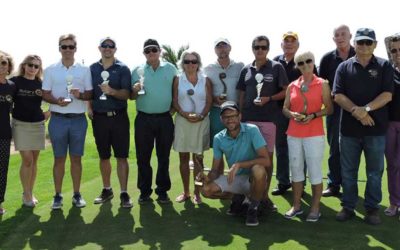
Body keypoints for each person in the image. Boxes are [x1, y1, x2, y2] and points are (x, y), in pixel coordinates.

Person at [333, 28, 394, 225]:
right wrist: (356, 111)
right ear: (355, 44)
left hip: (375, 131)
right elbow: (338, 95)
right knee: (348, 171)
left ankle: (372, 209)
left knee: (374, 173)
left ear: (375, 45)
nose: (364, 46)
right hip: (349, 130)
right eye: (361, 42)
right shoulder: (343, 67)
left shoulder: (385, 66)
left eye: (369, 42)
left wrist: (365, 109)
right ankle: (348, 206)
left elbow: (387, 95)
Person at [199, 101, 271, 226]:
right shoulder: (218, 138)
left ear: (239, 116)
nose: (230, 119)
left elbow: (266, 160)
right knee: (206, 190)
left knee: (258, 169)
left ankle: (253, 208)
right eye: (226, 117)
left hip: (253, 180)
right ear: (221, 119)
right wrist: (206, 177)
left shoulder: (252, 130)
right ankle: (240, 198)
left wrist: (239, 164)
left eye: (233, 116)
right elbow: (216, 170)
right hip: (235, 178)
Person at [42, 34, 93, 210]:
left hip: (78, 119)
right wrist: (56, 102)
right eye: (64, 47)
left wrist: (81, 96)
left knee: (76, 159)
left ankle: (77, 194)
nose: (68, 50)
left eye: (71, 47)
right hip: (58, 120)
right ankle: (58, 195)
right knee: (59, 159)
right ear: (59, 48)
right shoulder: (50, 70)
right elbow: (45, 93)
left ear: (75, 48)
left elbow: (90, 94)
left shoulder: (84, 70)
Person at [237, 35, 288, 206]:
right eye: (257, 47)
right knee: (248, 157)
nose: (260, 50)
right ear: (252, 48)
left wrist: (270, 98)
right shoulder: (246, 69)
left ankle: (264, 196)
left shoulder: (276, 67)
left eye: (263, 47)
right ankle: (248, 193)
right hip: (248, 121)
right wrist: (239, 114)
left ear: (268, 49)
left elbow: (286, 91)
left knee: (267, 159)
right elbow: (242, 95)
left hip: (269, 120)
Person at [282, 51, 333, 222]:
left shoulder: (323, 84)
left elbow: (329, 109)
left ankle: (315, 208)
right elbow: (285, 108)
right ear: (297, 66)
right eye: (301, 63)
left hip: (314, 134)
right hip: (294, 134)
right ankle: (296, 206)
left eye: (308, 61)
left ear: (313, 62)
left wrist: (314, 115)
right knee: (295, 170)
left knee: (315, 171)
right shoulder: (292, 86)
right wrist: (293, 114)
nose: (305, 65)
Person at [131, 39, 178, 204]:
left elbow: (176, 91)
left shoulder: (171, 69)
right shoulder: (137, 70)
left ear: (160, 51)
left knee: (163, 157)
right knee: (143, 157)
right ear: (144, 53)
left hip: (165, 118)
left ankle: (162, 191)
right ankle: (144, 191)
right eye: (147, 51)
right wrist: (135, 90)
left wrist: (172, 109)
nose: (151, 53)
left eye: (154, 50)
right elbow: (131, 96)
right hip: (143, 118)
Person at [89, 37, 133, 208]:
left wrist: (112, 91)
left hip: (119, 117)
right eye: (104, 46)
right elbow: (90, 91)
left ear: (115, 49)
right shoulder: (92, 68)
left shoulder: (122, 68)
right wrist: (89, 106)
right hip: (99, 117)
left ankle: (124, 192)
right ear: (99, 48)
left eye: (111, 46)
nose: (107, 48)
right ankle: (107, 189)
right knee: (104, 156)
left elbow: (127, 94)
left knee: (121, 156)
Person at [319, 25, 355, 197]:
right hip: (334, 110)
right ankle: (334, 185)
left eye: (343, 34)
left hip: (357, 110)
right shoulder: (327, 59)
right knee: (335, 148)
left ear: (350, 36)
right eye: (337, 35)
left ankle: (350, 186)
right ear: (333, 39)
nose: (340, 37)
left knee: (354, 149)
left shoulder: (360, 53)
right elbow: (321, 84)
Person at [172, 50, 212, 204]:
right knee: (183, 158)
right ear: (183, 64)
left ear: (198, 63)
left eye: (193, 61)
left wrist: (201, 115)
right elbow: (175, 101)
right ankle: (186, 192)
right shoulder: (178, 79)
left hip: (201, 121)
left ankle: (197, 193)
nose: (190, 64)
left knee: (198, 159)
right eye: (187, 61)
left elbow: (209, 101)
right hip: (183, 121)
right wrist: (183, 113)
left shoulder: (205, 79)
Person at [11, 55, 49, 207]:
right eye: (30, 65)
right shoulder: (14, 82)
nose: (33, 68)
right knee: (27, 160)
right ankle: (26, 193)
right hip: (20, 125)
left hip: (37, 125)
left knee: (34, 161)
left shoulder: (42, 84)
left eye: (36, 66)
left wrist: (49, 112)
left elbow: (54, 98)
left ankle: (30, 191)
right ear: (24, 65)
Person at [271, 31, 300, 196]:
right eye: (286, 41)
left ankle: (299, 183)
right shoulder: (275, 61)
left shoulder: (303, 60)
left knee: (299, 149)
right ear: (281, 44)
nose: (289, 44)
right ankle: (283, 182)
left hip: (299, 112)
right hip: (279, 110)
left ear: (297, 45)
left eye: (292, 41)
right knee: (281, 147)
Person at [203, 38, 244, 147]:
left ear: (230, 48)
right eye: (218, 46)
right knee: (218, 143)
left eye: (224, 45)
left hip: (235, 110)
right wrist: (214, 98)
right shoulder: (208, 68)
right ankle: (218, 165)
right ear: (215, 50)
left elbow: (243, 89)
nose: (222, 49)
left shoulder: (240, 66)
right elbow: (204, 90)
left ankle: (235, 165)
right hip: (217, 110)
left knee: (237, 143)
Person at [383, 33, 400, 218]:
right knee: (393, 165)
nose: (397, 53)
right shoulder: (388, 71)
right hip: (389, 125)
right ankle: (394, 202)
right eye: (394, 50)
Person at [0, 51, 15, 215]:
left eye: (3, 63)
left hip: (4, 132)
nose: (1, 66)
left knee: (2, 169)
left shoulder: (11, 86)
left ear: (8, 66)